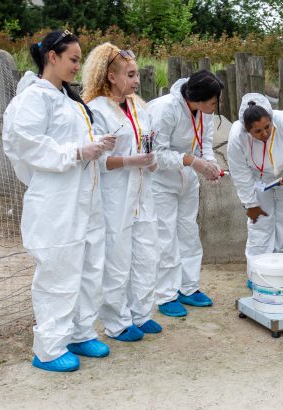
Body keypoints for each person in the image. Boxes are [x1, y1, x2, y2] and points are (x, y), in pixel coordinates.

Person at [2, 30, 116, 372]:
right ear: (52, 57)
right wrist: (78, 152)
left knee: (89, 267)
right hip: (56, 202)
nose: (77, 67)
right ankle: (49, 348)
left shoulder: (68, 100)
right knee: (58, 272)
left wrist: (96, 142)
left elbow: (70, 139)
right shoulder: (34, 98)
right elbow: (25, 143)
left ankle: (80, 332)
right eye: (73, 59)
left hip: (85, 198)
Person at [81, 43, 163, 343]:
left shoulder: (140, 108)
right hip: (116, 196)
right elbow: (97, 160)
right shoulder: (97, 110)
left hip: (143, 193)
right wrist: (130, 160)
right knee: (117, 258)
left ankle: (140, 313)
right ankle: (117, 321)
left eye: (137, 74)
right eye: (130, 75)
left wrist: (149, 158)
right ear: (111, 76)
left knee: (146, 254)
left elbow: (149, 143)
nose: (136, 80)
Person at [146, 70, 223, 317]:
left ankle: (188, 287)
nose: (216, 105)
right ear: (198, 98)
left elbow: (205, 143)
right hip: (160, 181)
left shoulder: (204, 112)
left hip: (187, 179)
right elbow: (155, 153)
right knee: (165, 236)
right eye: (213, 101)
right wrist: (192, 161)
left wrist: (210, 165)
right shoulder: (165, 109)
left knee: (189, 232)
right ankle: (166, 294)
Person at [226, 93, 283, 285]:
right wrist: (250, 203)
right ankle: (256, 274)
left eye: (267, 127)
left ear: (271, 119)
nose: (264, 134)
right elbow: (240, 174)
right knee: (259, 225)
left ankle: (279, 273)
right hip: (258, 179)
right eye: (257, 132)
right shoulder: (236, 136)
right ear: (247, 130)